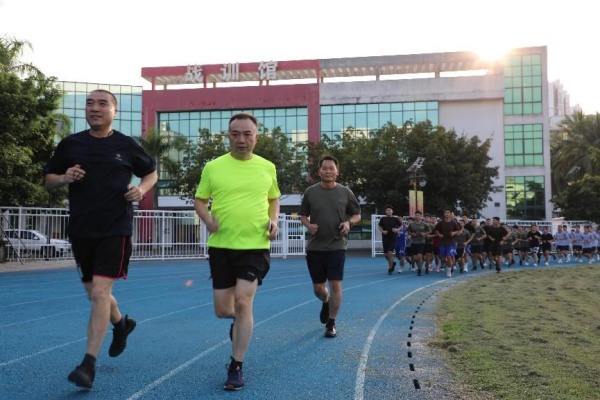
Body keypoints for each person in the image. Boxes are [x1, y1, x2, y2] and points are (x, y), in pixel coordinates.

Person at [44, 89, 158, 389]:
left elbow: (151, 173)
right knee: (94, 294)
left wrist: (141, 189)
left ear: (114, 111)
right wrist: (65, 177)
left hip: (115, 228)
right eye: (89, 104)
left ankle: (88, 365)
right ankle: (121, 324)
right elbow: (49, 180)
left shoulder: (126, 145)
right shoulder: (71, 144)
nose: (94, 108)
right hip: (81, 230)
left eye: (102, 104)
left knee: (99, 293)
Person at [194, 112, 281, 391]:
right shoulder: (213, 167)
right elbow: (200, 200)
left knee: (243, 302)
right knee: (224, 310)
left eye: (247, 134)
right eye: (235, 134)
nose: (241, 139)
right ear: (228, 136)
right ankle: (239, 323)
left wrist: (274, 220)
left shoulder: (267, 167)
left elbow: (274, 199)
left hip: (255, 245)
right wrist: (207, 219)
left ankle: (236, 366)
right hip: (221, 246)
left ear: (256, 137)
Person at [299, 155, 361, 339]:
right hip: (315, 247)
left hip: (337, 244)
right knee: (319, 289)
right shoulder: (310, 192)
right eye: (324, 168)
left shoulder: (345, 192)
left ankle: (331, 323)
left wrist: (349, 223)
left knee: (335, 284)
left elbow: (357, 214)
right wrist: (308, 225)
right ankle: (326, 301)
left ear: (337, 171)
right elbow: (303, 215)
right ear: (319, 171)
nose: (328, 171)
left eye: (331, 168)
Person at [434, 209, 461, 277]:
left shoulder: (453, 222)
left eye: (448, 212)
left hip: (451, 243)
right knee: (443, 259)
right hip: (442, 243)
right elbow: (436, 230)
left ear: (450, 214)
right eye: (445, 212)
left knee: (449, 256)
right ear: (444, 214)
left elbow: (458, 230)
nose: (446, 213)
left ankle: (449, 270)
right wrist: (439, 234)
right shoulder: (441, 222)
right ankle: (450, 265)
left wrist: (454, 233)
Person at [406, 211, 431, 276]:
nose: (417, 216)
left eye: (418, 215)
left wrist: (424, 234)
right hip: (414, 242)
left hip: (421, 242)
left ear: (421, 216)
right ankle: (419, 266)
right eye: (416, 215)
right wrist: (412, 234)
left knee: (419, 256)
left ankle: (419, 270)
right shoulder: (411, 224)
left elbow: (429, 231)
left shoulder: (424, 224)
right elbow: (408, 231)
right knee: (415, 258)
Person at [378, 205, 400, 274]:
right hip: (385, 237)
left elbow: (401, 226)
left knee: (390, 253)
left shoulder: (395, 219)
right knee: (386, 254)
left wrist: (397, 229)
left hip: (393, 237)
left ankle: (390, 268)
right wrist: (382, 231)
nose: (388, 211)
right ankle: (392, 263)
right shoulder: (383, 219)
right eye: (387, 210)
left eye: (389, 210)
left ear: (392, 211)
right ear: (385, 211)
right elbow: (379, 226)